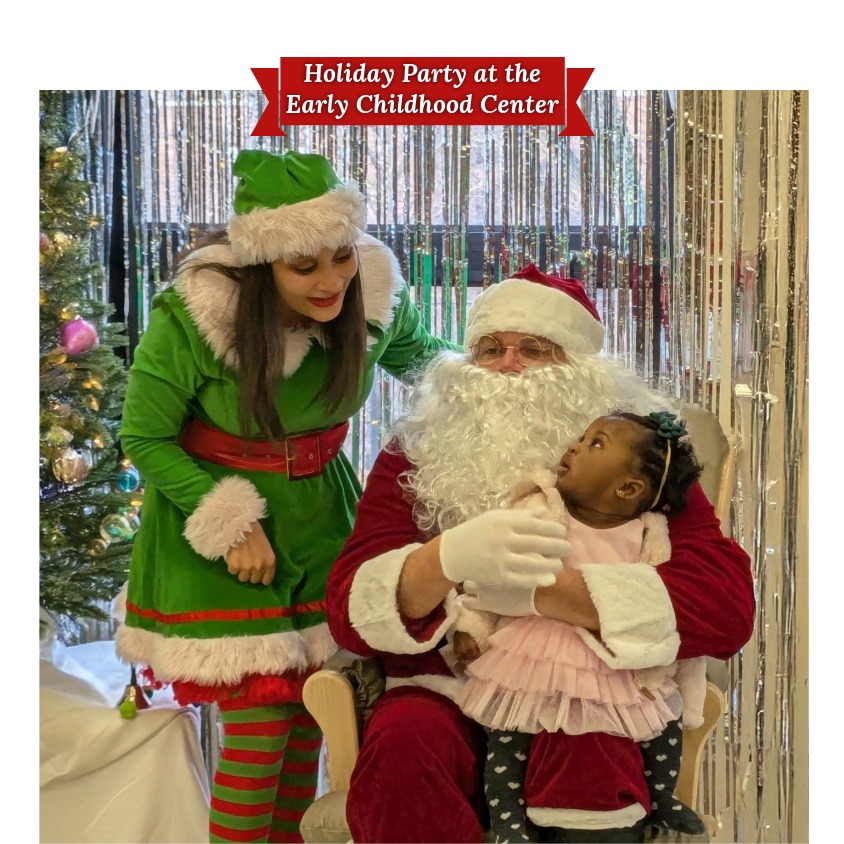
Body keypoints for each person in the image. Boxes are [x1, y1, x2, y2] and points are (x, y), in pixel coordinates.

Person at [325, 263, 755, 843]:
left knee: (585, 751)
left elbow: (724, 607)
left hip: (588, 691)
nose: (507, 365)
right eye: (489, 349)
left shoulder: (639, 462)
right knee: (404, 741)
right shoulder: (416, 451)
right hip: (445, 688)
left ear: (580, 371)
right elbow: (349, 610)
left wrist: (544, 595)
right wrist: (444, 560)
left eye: (533, 348)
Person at [114, 148, 454, 844]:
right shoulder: (195, 318)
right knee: (259, 734)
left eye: (341, 255)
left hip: (322, 516)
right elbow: (144, 439)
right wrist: (231, 526)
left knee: (310, 721)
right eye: (305, 267)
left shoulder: (372, 292)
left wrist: (515, 374)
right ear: (261, 266)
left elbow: (436, 368)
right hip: (215, 522)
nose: (331, 280)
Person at [450, 411, 709, 842]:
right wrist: (472, 627)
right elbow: (491, 579)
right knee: (509, 736)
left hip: (611, 652)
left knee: (661, 721)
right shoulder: (543, 512)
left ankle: (662, 798)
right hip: (536, 648)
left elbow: (663, 602)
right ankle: (508, 824)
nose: (573, 445)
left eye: (596, 443)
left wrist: (677, 665)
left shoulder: (648, 532)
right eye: (582, 436)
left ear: (628, 488)